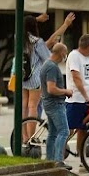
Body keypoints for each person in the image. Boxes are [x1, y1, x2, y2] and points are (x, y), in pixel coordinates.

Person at [19, 12, 75, 145]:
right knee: (32, 106)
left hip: (23, 77)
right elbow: (48, 55)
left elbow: (48, 41)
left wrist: (36, 19)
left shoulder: (19, 38)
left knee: (23, 106)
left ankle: (24, 137)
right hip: (36, 78)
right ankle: (31, 137)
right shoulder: (37, 42)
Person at [39, 43, 73, 170]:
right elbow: (51, 89)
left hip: (49, 103)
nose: (65, 56)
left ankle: (49, 160)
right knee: (64, 131)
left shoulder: (46, 65)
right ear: (61, 53)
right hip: (55, 104)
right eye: (65, 53)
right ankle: (58, 160)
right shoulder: (52, 67)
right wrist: (66, 91)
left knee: (53, 133)